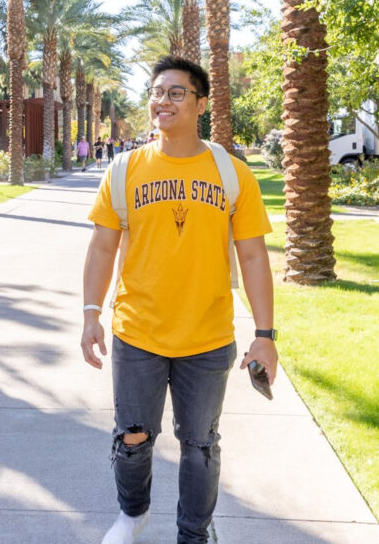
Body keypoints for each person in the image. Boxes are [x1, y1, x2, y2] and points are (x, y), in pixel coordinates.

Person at [80, 55, 277, 544]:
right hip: (137, 331)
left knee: (200, 446)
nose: (161, 101)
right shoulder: (125, 169)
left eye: (175, 92)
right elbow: (103, 247)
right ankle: (132, 515)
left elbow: (253, 257)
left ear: (201, 103)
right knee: (133, 438)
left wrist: (265, 336)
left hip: (207, 337)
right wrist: (90, 315)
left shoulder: (232, 175)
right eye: (156, 92)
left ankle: (194, 534)